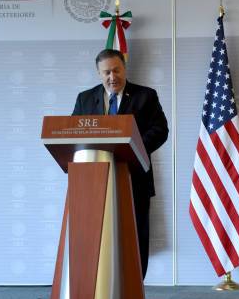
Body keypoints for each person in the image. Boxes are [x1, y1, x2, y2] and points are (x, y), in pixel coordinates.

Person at [72, 49, 169, 279]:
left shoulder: (146, 96)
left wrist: (132, 147)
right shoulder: (84, 99)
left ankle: (134, 291)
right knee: (98, 237)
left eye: (116, 70)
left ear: (124, 68)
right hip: (94, 181)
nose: (112, 77)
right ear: (98, 73)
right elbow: (74, 134)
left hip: (134, 179)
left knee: (134, 236)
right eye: (106, 72)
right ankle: (98, 289)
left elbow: (160, 130)